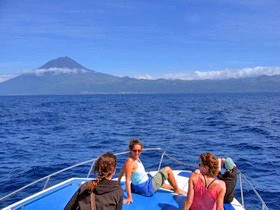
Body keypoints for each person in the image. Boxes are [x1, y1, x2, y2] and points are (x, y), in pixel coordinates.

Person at [118, 138, 187, 204]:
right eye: (134, 150)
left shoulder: (130, 160)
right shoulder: (130, 162)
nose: (137, 153)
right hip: (146, 189)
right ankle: (177, 190)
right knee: (168, 169)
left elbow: (123, 169)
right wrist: (129, 197)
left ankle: (172, 188)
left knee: (160, 182)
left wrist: (118, 181)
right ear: (130, 150)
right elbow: (127, 180)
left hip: (140, 186)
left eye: (139, 151)